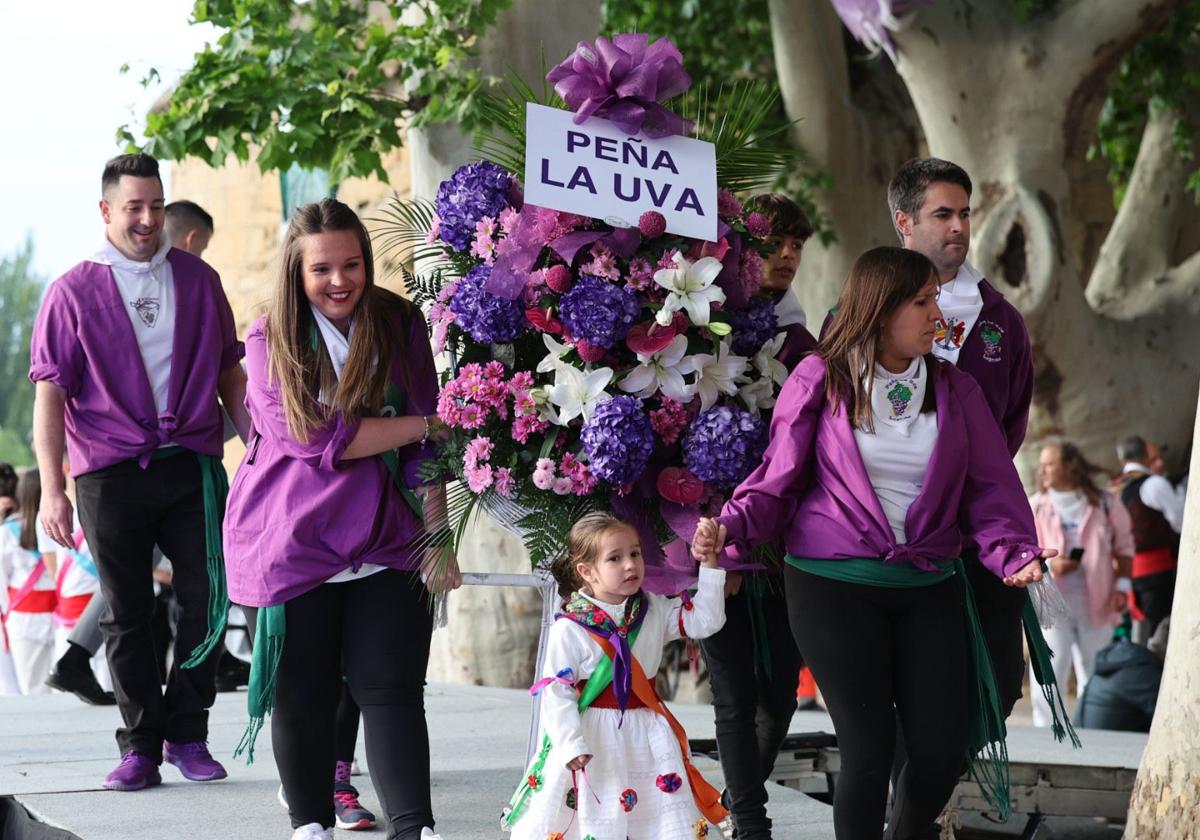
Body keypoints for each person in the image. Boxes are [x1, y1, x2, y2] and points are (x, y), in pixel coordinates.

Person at [695, 247, 1054, 840]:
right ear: (882, 310)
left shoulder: (956, 389)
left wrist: (1014, 552)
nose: (936, 313)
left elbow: (992, 487)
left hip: (929, 582)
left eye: (935, 298)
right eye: (922, 301)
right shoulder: (820, 377)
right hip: (833, 584)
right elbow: (777, 477)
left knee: (940, 748)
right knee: (868, 746)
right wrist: (730, 528)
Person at [223, 198, 458, 840]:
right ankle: (310, 826)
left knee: (392, 689)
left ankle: (417, 828)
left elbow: (428, 448)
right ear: (296, 274)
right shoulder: (269, 335)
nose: (339, 281)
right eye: (321, 268)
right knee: (303, 694)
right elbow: (309, 438)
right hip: (288, 538)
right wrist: (419, 424)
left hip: (385, 536)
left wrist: (438, 537)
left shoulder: (399, 322)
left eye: (352, 264)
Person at [30, 152, 250, 791]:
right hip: (107, 471)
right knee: (125, 613)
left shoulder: (200, 280)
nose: (149, 218)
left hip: (193, 462)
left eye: (156, 204)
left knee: (206, 600)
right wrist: (52, 487)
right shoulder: (70, 291)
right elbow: (50, 394)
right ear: (106, 211)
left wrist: (260, 448)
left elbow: (228, 373)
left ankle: (188, 733)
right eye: (134, 207)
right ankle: (140, 747)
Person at [696, 193, 817, 840]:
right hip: (715, 543)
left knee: (779, 694)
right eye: (776, 243)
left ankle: (724, 804)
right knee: (734, 695)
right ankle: (750, 824)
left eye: (798, 245)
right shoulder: (698, 326)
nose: (789, 256)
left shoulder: (803, 342)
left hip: (786, 549)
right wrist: (726, 550)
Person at [504, 511, 729, 839]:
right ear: (586, 571)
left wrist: (709, 564)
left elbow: (704, 620)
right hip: (593, 738)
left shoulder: (652, 609)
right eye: (615, 558)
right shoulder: (570, 627)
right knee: (597, 815)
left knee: (656, 820)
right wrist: (570, 744)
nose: (630, 565)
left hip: (647, 736)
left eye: (635, 553)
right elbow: (557, 691)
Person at [1028, 442, 1133, 727]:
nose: (1043, 470)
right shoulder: (1035, 505)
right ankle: (1047, 731)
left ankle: (1092, 726)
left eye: (1050, 464)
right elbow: (1025, 550)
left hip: (1096, 599)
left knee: (1094, 666)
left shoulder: (1106, 503)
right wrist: (1050, 564)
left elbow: (1124, 548)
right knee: (1050, 664)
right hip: (1051, 599)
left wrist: (1123, 588)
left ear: (1070, 465)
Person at [1113, 435, 1184, 638]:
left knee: (1148, 630)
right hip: (1158, 570)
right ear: (1145, 454)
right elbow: (1180, 522)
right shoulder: (1154, 484)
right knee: (1164, 629)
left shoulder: (1114, 490)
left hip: (1130, 572)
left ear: (1121, 459)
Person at [0, 470, 55, 694]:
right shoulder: (8, 533)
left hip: (43, 620)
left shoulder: (6, 533)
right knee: (40, 689)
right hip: (34, 620)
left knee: (36, 689)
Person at [1075, 616, 1168, 732]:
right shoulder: (1143, 673)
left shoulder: (1125, 659)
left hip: (1087, 740)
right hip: (1103, 745)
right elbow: (1170, 719)